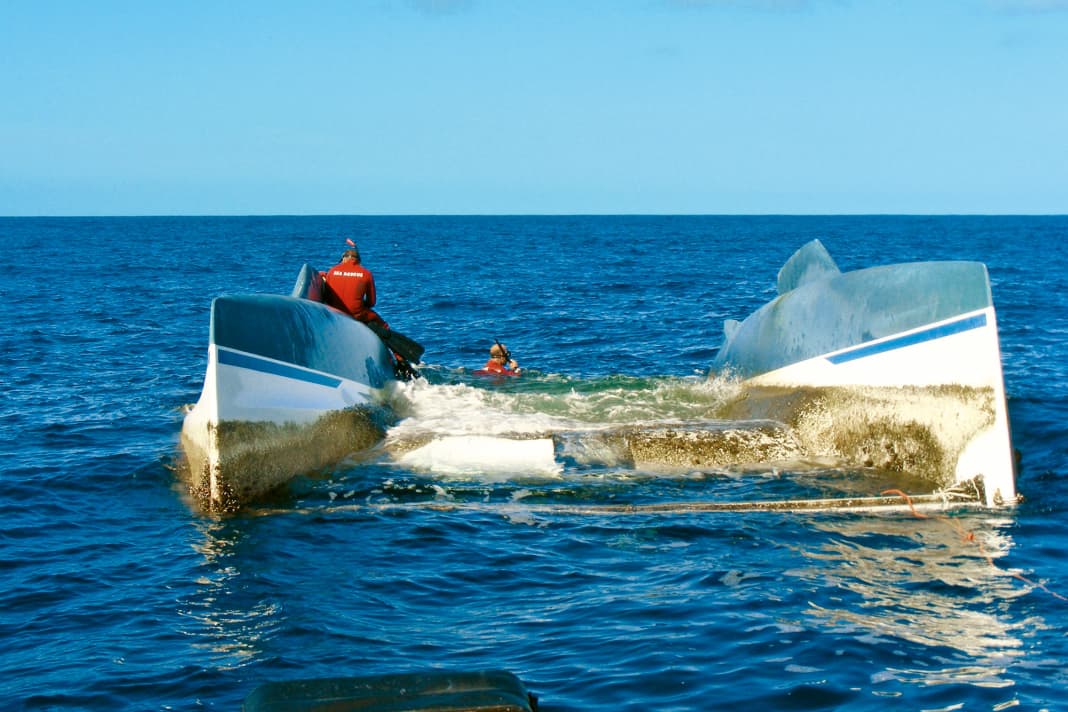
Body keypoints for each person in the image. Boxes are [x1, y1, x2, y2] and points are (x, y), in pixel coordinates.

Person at [323, 246, 388, 328]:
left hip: (334, 312)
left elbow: (327, 296)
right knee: (382, 324)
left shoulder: (332, 271)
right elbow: (371, 302)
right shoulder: (366, 274)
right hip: (356, 314)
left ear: (344, 258)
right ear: (358, 261)